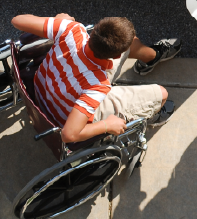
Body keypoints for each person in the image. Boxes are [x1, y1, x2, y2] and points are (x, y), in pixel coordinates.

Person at [11, 13, 181, 142]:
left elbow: (17, 20)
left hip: (42, 91)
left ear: (94, 31)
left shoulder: (71, 30)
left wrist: (58, 20)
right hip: (62, 117)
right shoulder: (97, 86)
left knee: (130, 41)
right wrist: (107, 125)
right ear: (115, 58)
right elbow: (69, 134)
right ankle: (153, 107)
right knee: (162, 94)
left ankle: (151, 56)